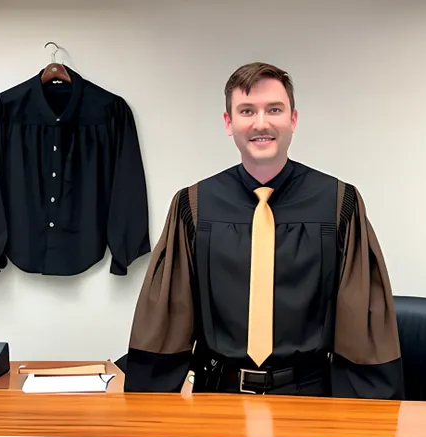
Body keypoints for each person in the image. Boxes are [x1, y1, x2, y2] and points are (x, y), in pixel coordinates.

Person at [124, 62, 405, 399]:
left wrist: (362, 420)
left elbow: (362, 323)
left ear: (293, 119)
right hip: (218, 398)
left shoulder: (339, 203)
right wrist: (149, 410)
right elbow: (167, 318)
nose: (261, 123)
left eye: (274, 109)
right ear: (229, 123)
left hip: (310, 398)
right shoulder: (194, 206)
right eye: (247, 111)